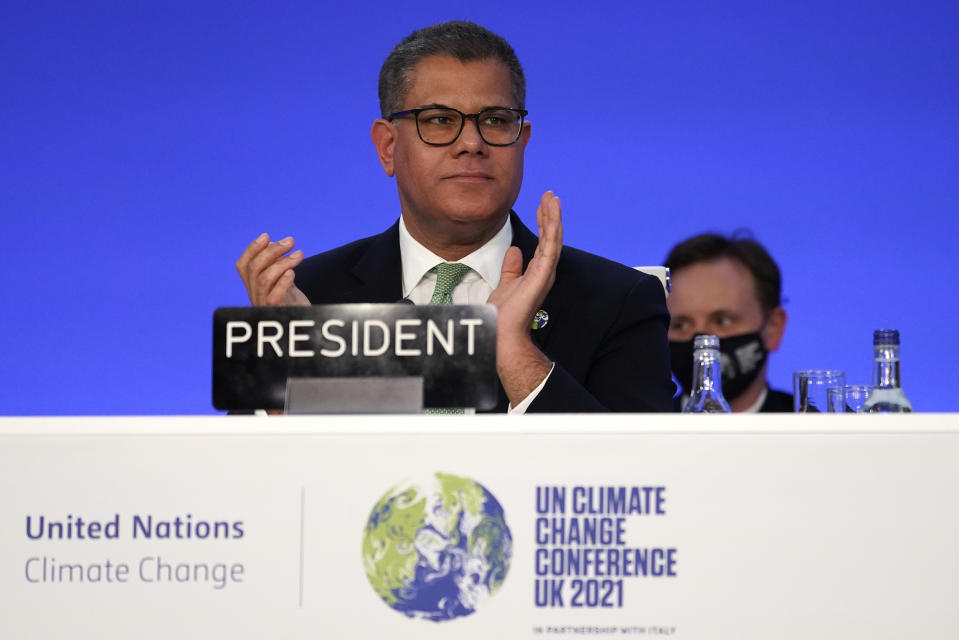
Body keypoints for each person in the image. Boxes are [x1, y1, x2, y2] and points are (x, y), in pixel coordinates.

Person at [235, 20, 673, 413]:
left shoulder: (619, 301)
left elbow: (642, 477)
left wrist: (514, 352)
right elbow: (260, 484)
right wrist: (297, 354)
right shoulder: (311, 297)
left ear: (522, 141)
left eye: (496, 121)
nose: (471, 143)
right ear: (387, 147)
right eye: (440, 120)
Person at [664, 232, 791, 412]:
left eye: (722, 321)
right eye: (681, 325)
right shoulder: (634, 434)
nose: (701, 338)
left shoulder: (822, 433)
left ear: (773, 327)